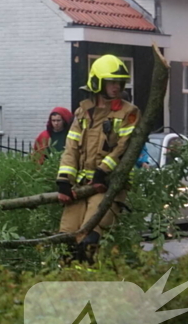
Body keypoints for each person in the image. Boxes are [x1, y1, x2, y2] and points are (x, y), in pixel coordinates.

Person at [56, 55, 141, 262]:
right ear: (97, 82)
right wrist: (64, 180)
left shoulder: (129, 113)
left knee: (89, 239)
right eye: (112, 82)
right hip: (81, 186)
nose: (116, 87)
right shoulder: (83, 111)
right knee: (66, 240)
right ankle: (69, 286)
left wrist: (103, 171)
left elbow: (124, 147)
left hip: (108, 186)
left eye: (119, 82)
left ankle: (91, 285)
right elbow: (71, 147)